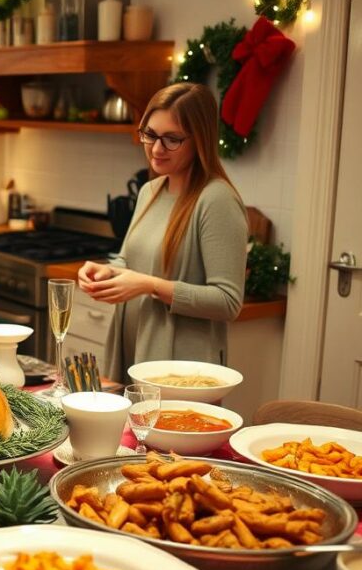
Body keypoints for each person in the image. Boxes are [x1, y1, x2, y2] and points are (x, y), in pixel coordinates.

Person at [78, 82, 248, 381]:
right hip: (134, 346)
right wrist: (107, 271)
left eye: (172, 139)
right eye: (150, 134)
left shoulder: (216, 199)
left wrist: (150, 286)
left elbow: (227, 302)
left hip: (181, 368)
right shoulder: (151, 190)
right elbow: (130, 261)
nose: (156, 148)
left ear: (200, 140)